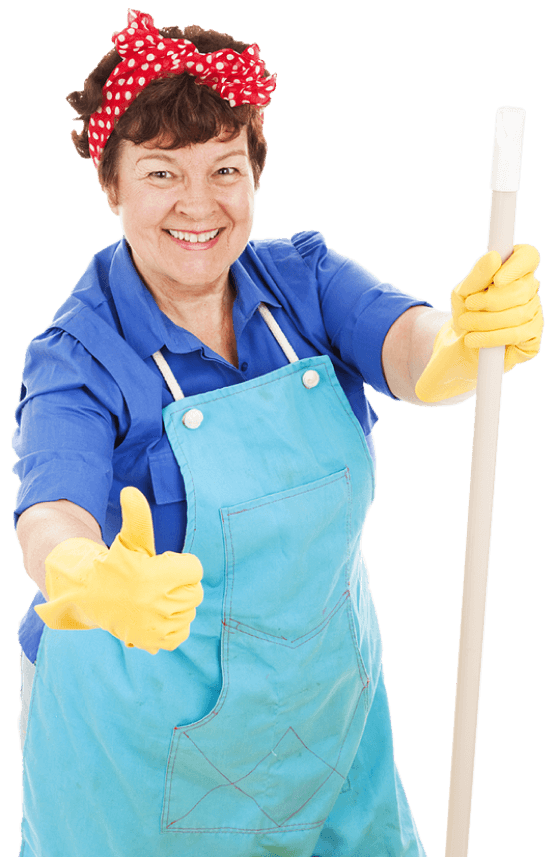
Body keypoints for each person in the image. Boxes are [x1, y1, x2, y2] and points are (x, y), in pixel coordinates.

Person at [14, 9, 543, 857]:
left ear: (255, 173)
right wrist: (87, 574)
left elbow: (413, 352)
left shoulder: (302, 281)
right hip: (140, 748)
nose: (198, 205)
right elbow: (51, 509)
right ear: (110, 183)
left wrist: (465, 341)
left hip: (321, 715)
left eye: (224, 168)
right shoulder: (79, 354)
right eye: (160, 173)